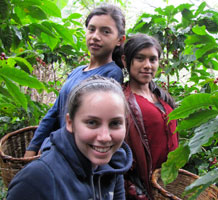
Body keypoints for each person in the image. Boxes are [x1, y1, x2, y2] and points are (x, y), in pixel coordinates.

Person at [24, 3, 126, 157]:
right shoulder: (77, 72)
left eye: (105, 32)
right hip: (56, 148)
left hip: (74, 154)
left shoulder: (112, 73)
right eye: (91, 29)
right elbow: (54, 112)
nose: (95, 36)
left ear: (119, 40)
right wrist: (32, 147)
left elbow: (89, 120)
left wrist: (51, 145)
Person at [7, 76, 133, 200]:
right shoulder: (36, 180)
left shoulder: (114, 164)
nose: (105, 137)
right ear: (70, 123)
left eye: (115, 123)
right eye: (92, 123)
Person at [122, 34, 179, 200]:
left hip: (169, 184)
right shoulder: (121, 100)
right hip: (142, 189)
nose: (147, 65)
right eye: (140, 58)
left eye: (153, 59)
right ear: (126, 61)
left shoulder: (162, 97)